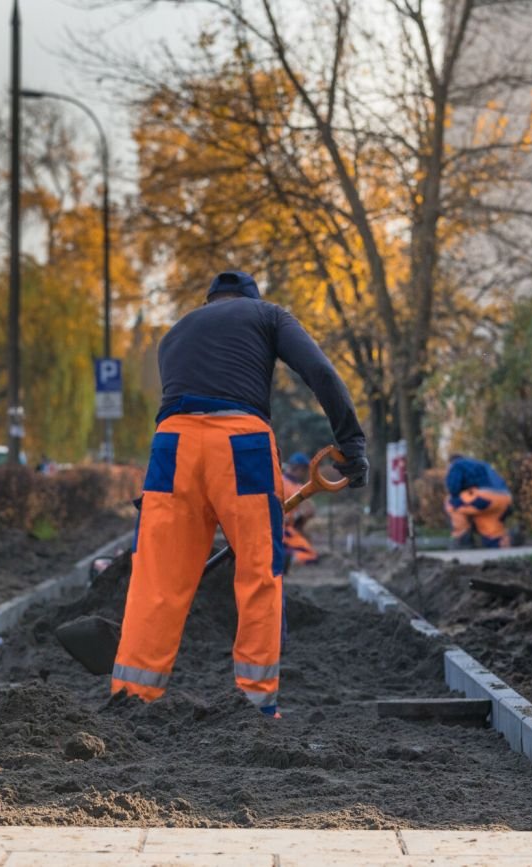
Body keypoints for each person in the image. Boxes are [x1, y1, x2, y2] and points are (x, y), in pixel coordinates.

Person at [111, 271, 368, 718]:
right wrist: (352, 444)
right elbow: (320, 372)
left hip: (171, 446)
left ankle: (132, 698)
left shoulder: (175, 333)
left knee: (157, 577)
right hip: (241, 445)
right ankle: (255, 703)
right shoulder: (268, 315)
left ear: (209, 302)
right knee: (257, 573)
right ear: (249, 298)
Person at [443, 454, 512, 549]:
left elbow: (453, 488)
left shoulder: (457, 464)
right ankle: (504, 543)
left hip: (484, 498)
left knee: (451, 503)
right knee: (489, 527)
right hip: (505, 499)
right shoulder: (482, 464)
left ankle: (461, 537)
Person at [280, 452, 319, 567]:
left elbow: (306, 510)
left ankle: (286, 556)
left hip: (291, 528)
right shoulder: (282, 483)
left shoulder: (298, 487)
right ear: (298, 468)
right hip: (282, 529)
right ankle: (286, 558)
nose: (305, 473)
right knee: (310, 555)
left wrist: (302, 516)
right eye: (304, 470)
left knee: (308, 551)